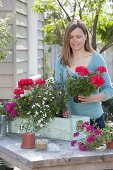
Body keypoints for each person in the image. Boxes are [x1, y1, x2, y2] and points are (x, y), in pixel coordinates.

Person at [55, 19, 113, 129]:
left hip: (94, 121)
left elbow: (109, 90)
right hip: (69, 120)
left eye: (78, 36)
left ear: (85, 36)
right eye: (71, 37)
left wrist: (94, 97)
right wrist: (63, 106)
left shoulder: (96, 58)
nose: (74, 40)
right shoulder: (61, 61)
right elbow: (58, 88)